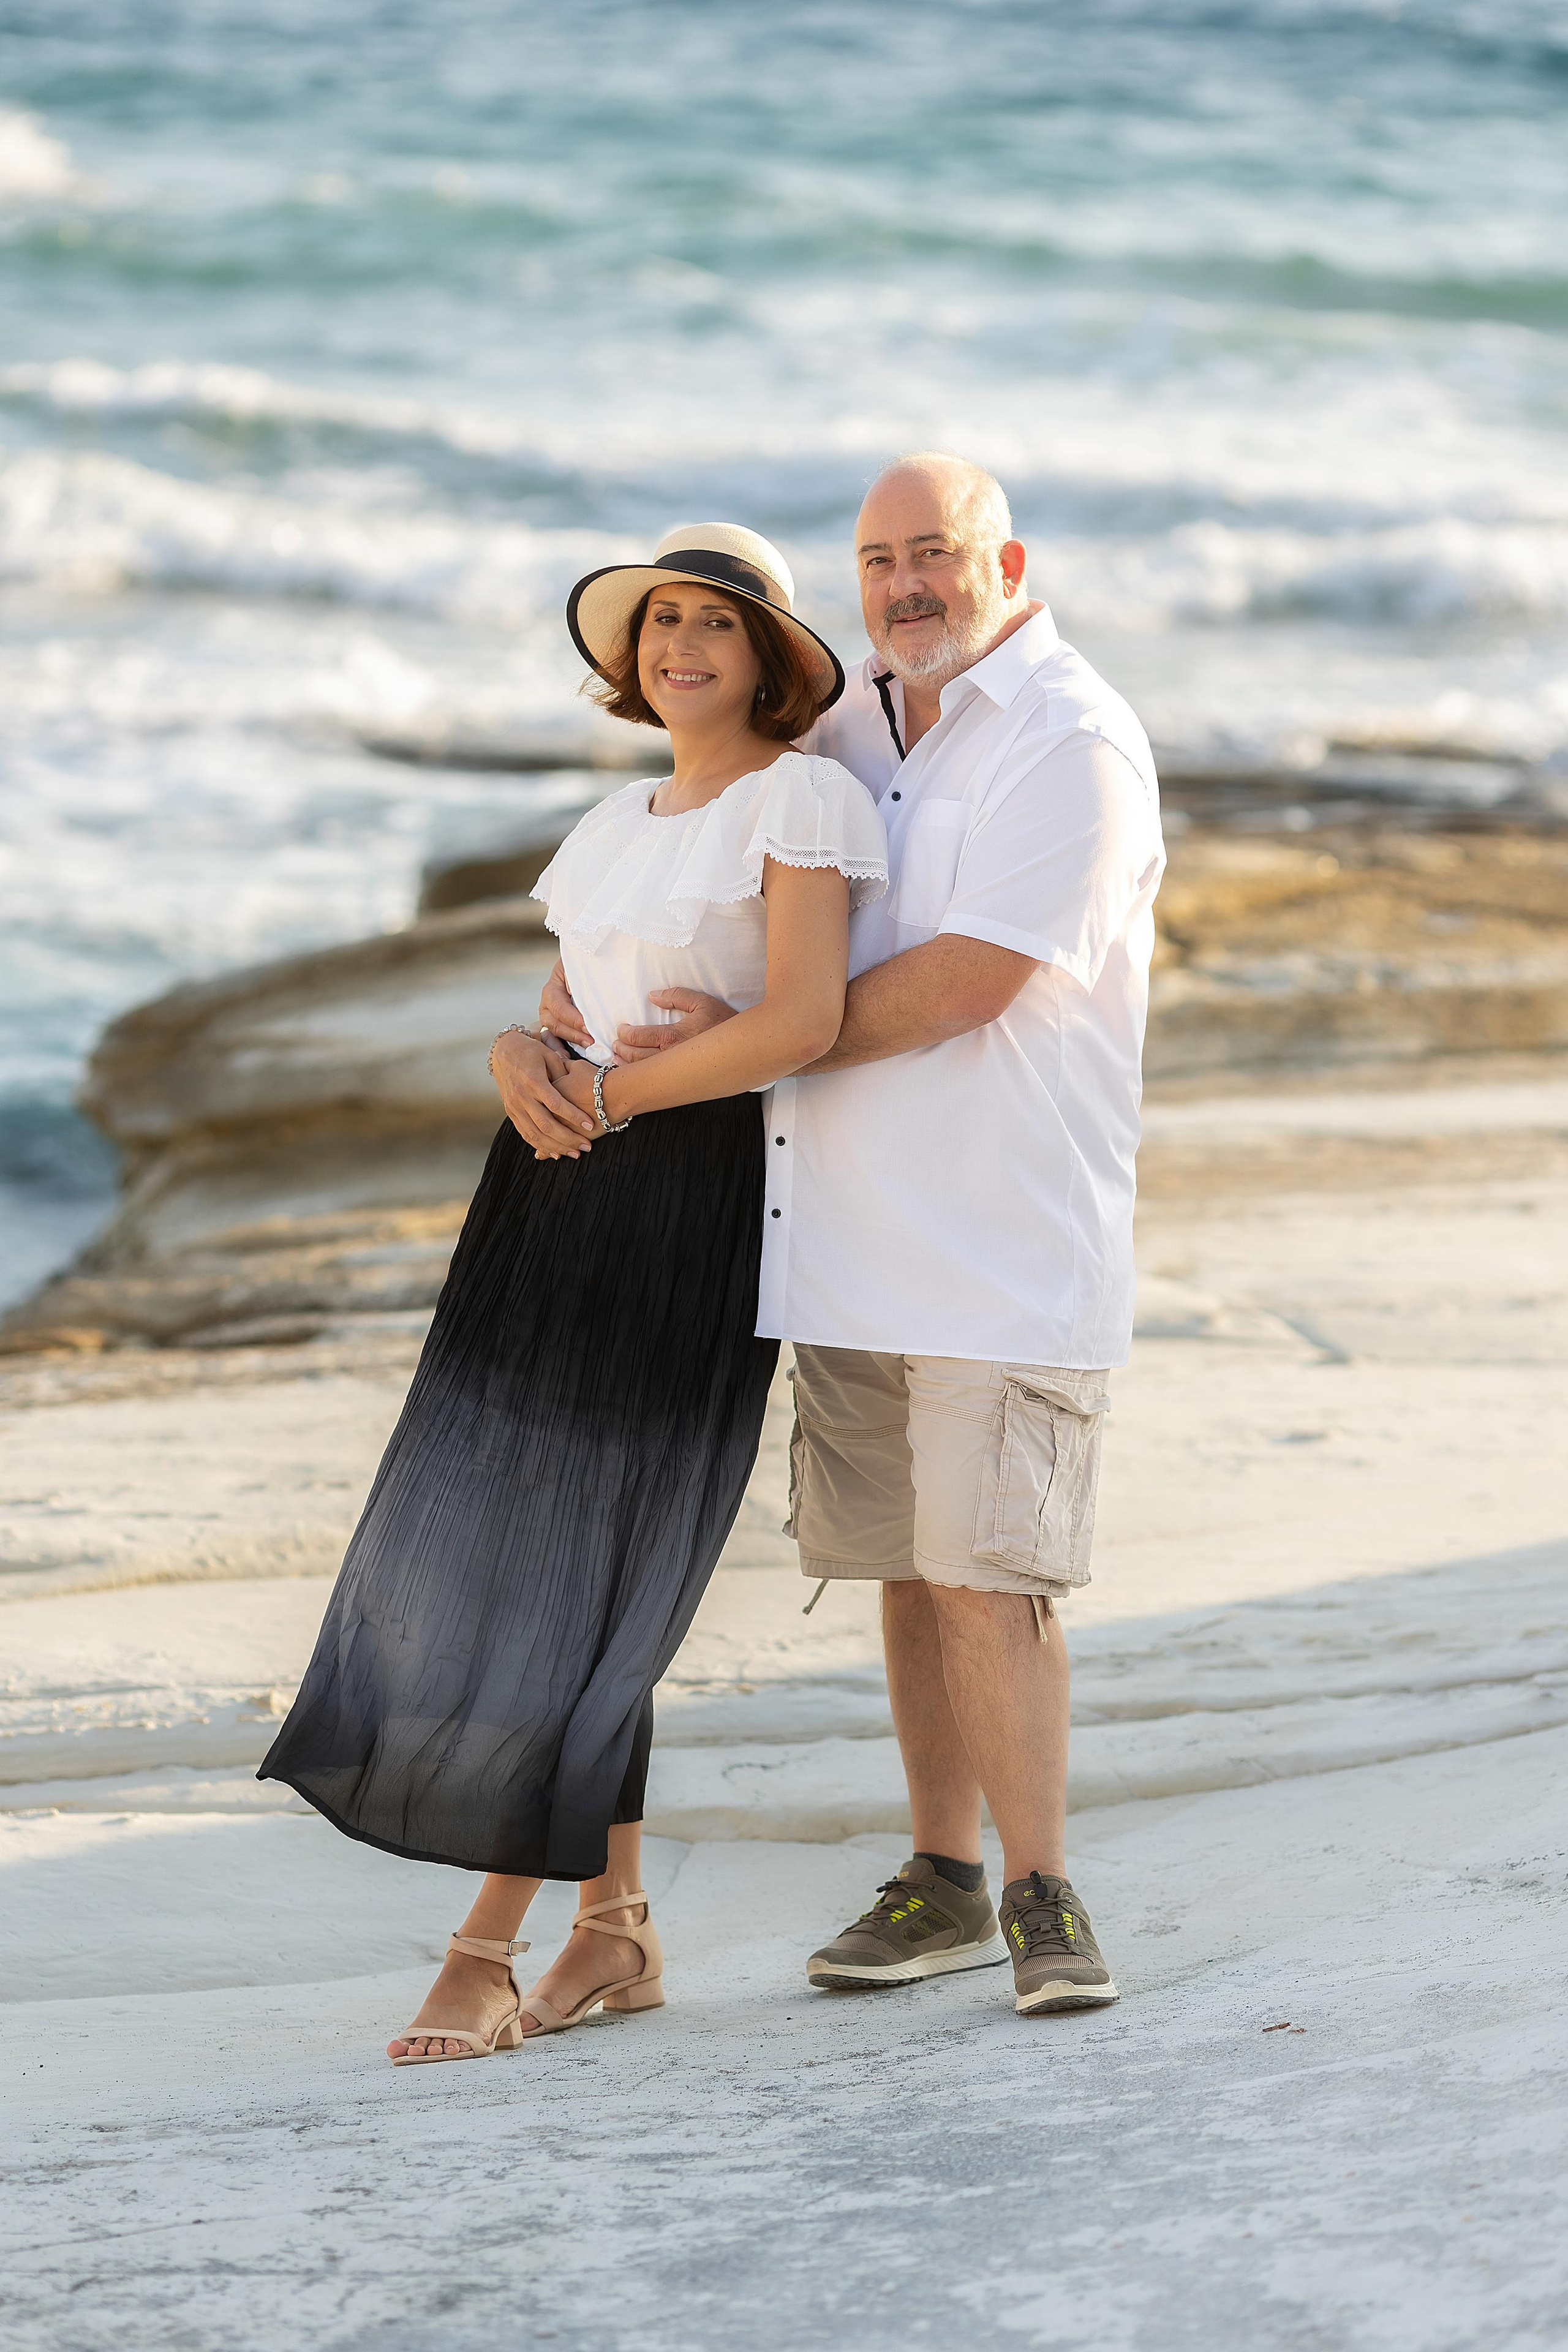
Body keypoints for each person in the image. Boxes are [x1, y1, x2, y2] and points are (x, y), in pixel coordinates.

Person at [532, 454, 1164, 2017]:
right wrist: (544, 1033)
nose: (904, 586)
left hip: (999, 1234)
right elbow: (694, 872)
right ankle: (939, 1875)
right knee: (901, 1564)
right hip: (835, 1231)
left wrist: (716, 1049)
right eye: (878, 561)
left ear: (1004, 560)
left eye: (934, 555)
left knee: (990, 1574)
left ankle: (1041, 1892)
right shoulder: (851, 723)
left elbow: (966, 981)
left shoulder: (1071, 740)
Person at [259, 524, 886, 2064]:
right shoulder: (616, 819)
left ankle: (483, 1949)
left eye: (712, 627)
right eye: (658, 623)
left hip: (681, 1202)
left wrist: (623, 1091)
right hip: (543, 1190)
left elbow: (802, 1019)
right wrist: (512, 1060)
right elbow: (558, 1015)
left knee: (577, 1571)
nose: (678, 647)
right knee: (499, 1542)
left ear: (767, 661)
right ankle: (610, 1931)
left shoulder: (799, 799)